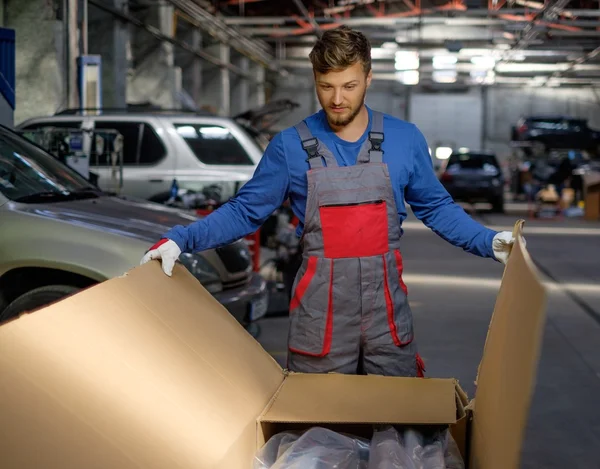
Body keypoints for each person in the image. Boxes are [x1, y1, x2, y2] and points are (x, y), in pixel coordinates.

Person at [141, 26, 519, 378]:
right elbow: (245, 211)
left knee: (400, 420)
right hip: (319, 318)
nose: (337, 99)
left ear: (369, 78)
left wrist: (486, 241)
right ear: (315, 81)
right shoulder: (290, 146)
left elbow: (437, 207)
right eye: (327, 86)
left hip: (386, 314)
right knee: (316, 427)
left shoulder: (405, 140)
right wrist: (182, 239)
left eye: (350, 86)